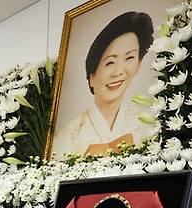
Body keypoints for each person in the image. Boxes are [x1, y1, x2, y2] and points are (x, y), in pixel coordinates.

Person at [52, 11, 154, 159]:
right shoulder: (67, 136)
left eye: (129, 57)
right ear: (91, 76)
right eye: (110, 62)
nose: (119, 72)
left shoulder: (147, 125)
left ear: (138, 64)